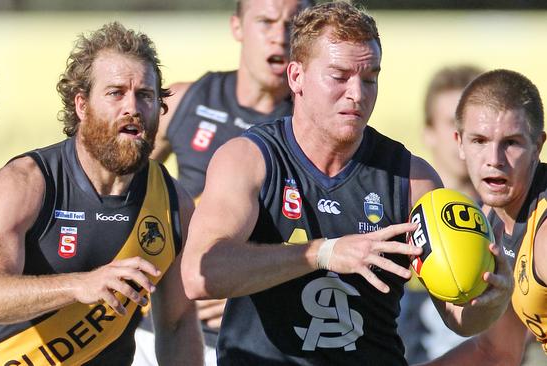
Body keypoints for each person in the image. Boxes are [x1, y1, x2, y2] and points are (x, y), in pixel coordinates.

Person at [181, 2, 514, 365]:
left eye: (369, 77)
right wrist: (322, 253)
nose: (357, 93)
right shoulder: (249, 159)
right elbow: (201, 273)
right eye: (339, 76)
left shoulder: (411, 179)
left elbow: (458, 318)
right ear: (296, 77)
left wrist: (489, 302)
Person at [0, 22, 203, 365]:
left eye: (145, 95)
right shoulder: (28, 181)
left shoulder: (173, 203)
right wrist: (78, 286)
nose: (132, 107)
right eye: (115, 93)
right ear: (82, 105)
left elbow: (176, 325)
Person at [137, 1, 314, 363]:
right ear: (237, 27)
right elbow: (116, 195)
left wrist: (240, 286)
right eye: (265, 22)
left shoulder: (315, 128)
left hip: (253, 341)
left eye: (293, 24)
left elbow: (327, 242)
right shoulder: (188, 100)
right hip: (157, 332)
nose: (280, 37)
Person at [419, 69, 547, 365]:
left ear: (537, 146)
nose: (494, 159)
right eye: (479, 141)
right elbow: (497, 353)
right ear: (459, 142)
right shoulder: (488, 218)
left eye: (511, 143)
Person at [398, 65, 483, 363]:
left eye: (473, 121)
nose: (463, 134)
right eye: (452, 123)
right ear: (428, 133)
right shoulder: (398, 216)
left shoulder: (517, 218)